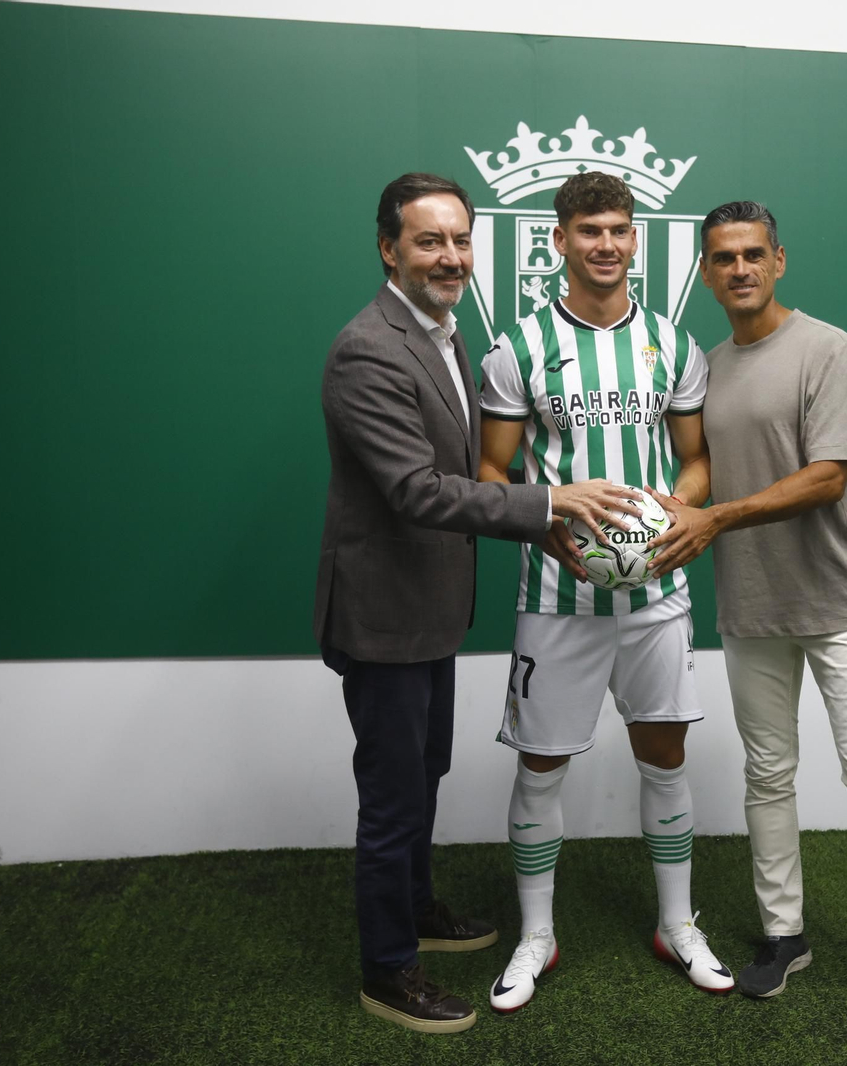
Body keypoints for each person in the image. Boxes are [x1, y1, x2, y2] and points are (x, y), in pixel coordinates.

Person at [314, 172, 635, 1034]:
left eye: (460, 241)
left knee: (426, 772)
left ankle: (415, 908)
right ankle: (388, 970)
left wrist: (546, 520)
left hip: (430, 608)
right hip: (383, 614)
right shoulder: (368, 348)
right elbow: (419, 491)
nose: (450, 257)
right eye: (429, 242)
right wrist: (550, 505)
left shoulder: (446, 334)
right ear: (389, 249)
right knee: (390, 795)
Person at [645, 201, 847, 1030]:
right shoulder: (704, 368)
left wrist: (715, 519)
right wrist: (671, 510)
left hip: (840, 604)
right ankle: (783, 933)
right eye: (723, 258)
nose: (738, 269)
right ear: (704, 272)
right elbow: (695, 469)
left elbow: (827, 478)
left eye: (752, 255)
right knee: (767, 775)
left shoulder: (828, 349)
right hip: (752, 607)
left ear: (778, 261)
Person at [477, 171, 734, 1012]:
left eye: (621, 230)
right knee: (542, 764)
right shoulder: (519, 347)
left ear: (635, 241)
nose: (607, 244)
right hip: (558, 597)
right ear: (558, 240)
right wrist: (542, 518)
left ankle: (675, 925)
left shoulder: (671, 343)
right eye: (590, 230)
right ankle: (537, 937)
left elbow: (696, 459)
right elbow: (490, 470)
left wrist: (679, 509)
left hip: (654, 595)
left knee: (664, 755)